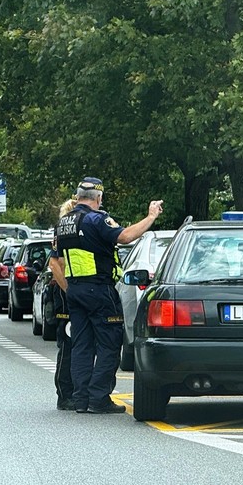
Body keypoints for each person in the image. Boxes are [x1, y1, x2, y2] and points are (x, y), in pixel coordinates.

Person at [50, 177, 163, 414]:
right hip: (99, 290)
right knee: (110, 343)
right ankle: (98, 398)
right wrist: (151, 217)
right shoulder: (96, 219)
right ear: (98, 198)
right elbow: (125, 237)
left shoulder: (64, 222)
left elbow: (57, 260)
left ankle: (81, 400)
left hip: (75, 291)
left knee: (81, 345)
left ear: (77, 197)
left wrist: (72, 290)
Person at [52, 198, 77, 410]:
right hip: (64, 294)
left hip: (77, 291)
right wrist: (68, 290)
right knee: (67, 343)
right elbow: (55, 264)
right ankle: (64, 393)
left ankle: (76, 390)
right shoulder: (62, 232)